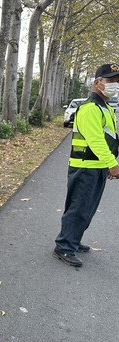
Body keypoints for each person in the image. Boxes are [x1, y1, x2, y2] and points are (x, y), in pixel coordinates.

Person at [54, 63, 119, 267]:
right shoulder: (91, 108)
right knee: (79, 208)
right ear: (97, 83)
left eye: (117, 81)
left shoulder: (105, 107)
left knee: (88, 208)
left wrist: (106, 163)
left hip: (96, 165)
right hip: (85, 166)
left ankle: (73, 238)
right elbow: (95, 140)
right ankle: (64, 246)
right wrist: (112, 163)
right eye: (110, 81)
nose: (115, 85)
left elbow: (110, 137)